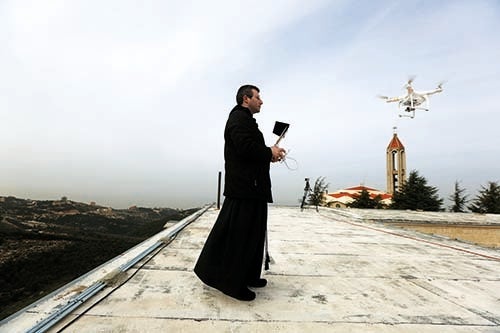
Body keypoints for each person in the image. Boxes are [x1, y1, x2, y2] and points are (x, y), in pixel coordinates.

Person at [194, 84, 285, 301]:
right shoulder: (238, 119)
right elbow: (244, 148)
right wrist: (268, 151)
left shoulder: (246, 121)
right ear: (246, 99)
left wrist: (269, 155)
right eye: (258, 97)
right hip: (244, 189)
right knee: (240, 237)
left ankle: (249, 276)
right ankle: (231, 284)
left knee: (253, 235)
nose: (261, 101)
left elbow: (250, 152)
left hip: (252, 188)